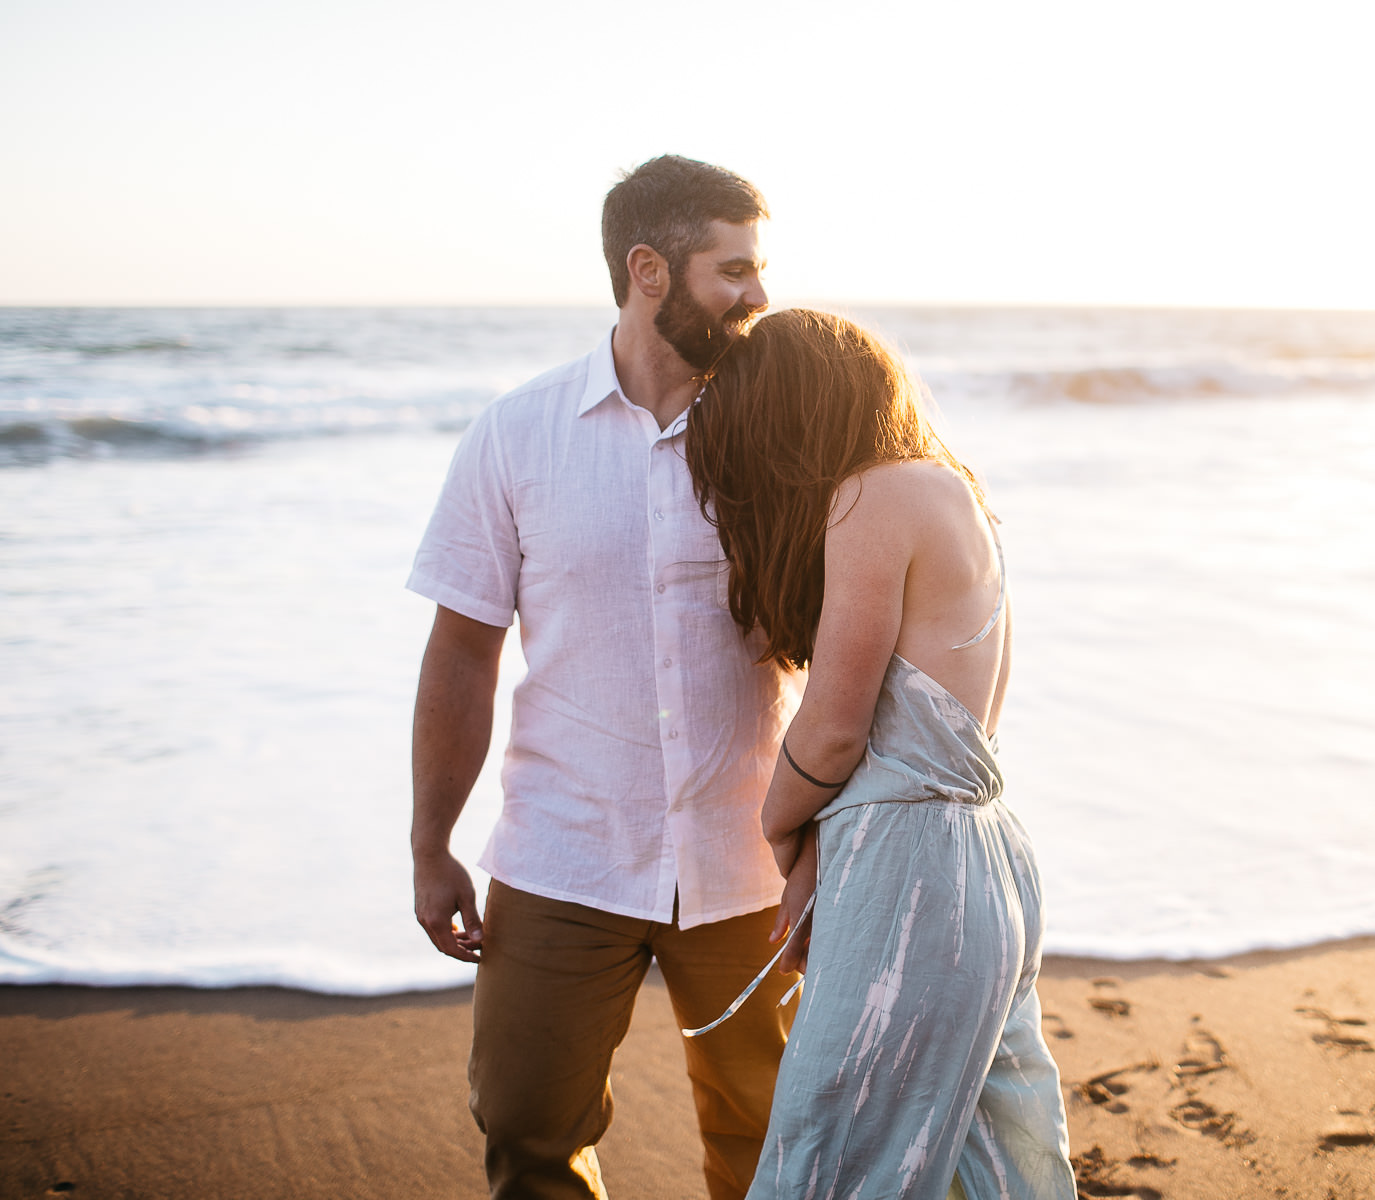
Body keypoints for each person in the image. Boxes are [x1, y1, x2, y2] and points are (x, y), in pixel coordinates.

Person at [407, 155, 800, 1200]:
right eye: (736, 270)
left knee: (778, 1140)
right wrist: (430, 841)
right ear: (650, 270)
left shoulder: (781, 438)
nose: (761, 296)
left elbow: (852, 627)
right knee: (530, 1131)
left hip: (750, 862)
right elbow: (461, 649)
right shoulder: (516, 434)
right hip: (562, 853)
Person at [685, 309, 1079, 1200]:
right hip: (989, 860)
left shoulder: (871, 495)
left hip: (911, 875)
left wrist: (779, 826)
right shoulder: (955, 492)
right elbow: (963, 731)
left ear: (792, 413)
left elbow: (832, 727)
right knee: (1008, 1165)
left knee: (827, 1160)